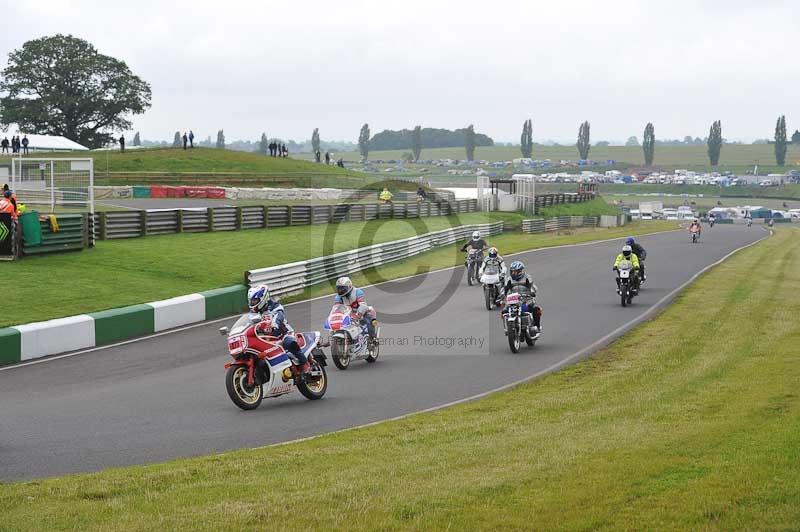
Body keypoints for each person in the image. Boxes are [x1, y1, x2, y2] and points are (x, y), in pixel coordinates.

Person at [247, 284, 311, 375]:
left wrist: (275, 324)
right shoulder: (253, 312)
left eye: (254, 300)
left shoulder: (273, 305)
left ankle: (305, 363)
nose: (252, 303)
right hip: (267, 338)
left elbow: (279, 315)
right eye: (251, 301)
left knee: (289, 343)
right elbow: (248, 323)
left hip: (283, 333)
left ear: (262, 298)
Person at [499, 260, 541, 332]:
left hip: (526, 299)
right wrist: (502, 296)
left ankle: (537, 326)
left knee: (536, 309)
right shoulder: (509, 279)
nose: (513, 273)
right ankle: (507, 328)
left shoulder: (527, 277)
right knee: (504, 311)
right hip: (513, 300)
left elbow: (533, 287)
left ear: (520, 271)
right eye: (512, 271)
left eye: (515, 272)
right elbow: (504, 289)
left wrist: (531, 293)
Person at [334, 276, 377, 344]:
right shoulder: (338, 297)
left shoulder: (358, 292)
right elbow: (337, 308)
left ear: (349, 286)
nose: (340, 290)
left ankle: (373, 339)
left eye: (343, 288)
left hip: (363, 312)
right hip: (349, 314)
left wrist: (358, 314)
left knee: (369, 320)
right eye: (339, 288)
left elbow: (363, 305)